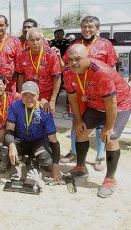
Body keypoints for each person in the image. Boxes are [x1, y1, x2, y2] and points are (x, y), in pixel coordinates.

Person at [63, 44, 131, 198]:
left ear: (88, 58)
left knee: (110, 138)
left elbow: (111, 102)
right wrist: (78, 120)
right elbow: (72, 97)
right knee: (80, 132)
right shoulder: (68, 72)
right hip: (94, 103)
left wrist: (109, 126)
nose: (74, 63)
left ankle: (110, 179)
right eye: (70, 59)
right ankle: (81, 168)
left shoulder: (101, 72)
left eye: (78, 59)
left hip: (119, 104)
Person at [56, 16, 118, 170]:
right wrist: (58, 57)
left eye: (90, 27)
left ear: (97, 28)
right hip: (80, 91)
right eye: (84, 27)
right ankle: (74, 152)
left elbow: (111, 69)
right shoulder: (75, 44)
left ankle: (100, 156)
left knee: (101, 125)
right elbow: (66, 67)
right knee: (77, 121)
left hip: (99, 92)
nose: (87, 29)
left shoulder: (106, 45)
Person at [5, 81, 62, 182]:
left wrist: (56, 168)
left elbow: (54, 141)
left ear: (38, 94)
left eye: (32, 95)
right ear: (21, 95)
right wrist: (12, 146)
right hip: (20, 140)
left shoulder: (44, 110)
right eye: (25, 95)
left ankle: (32, 160)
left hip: (38, 142)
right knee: (7, 152)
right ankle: (24, 160)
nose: (28, 98)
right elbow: (9, 130)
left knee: (47, 162)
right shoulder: (15, 106)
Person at [16, 27, 61, 114]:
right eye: (32, 40)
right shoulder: (22, 55)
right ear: (27, 41)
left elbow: (57, 77)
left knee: (45, 120)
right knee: (28, 119)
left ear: (43, 40)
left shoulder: (50, 54)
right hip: (29, 95)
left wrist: (53, 100)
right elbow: (20, 76)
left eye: (38, 39)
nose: (35, 43)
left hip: (46, 95)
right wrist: (20, 95)